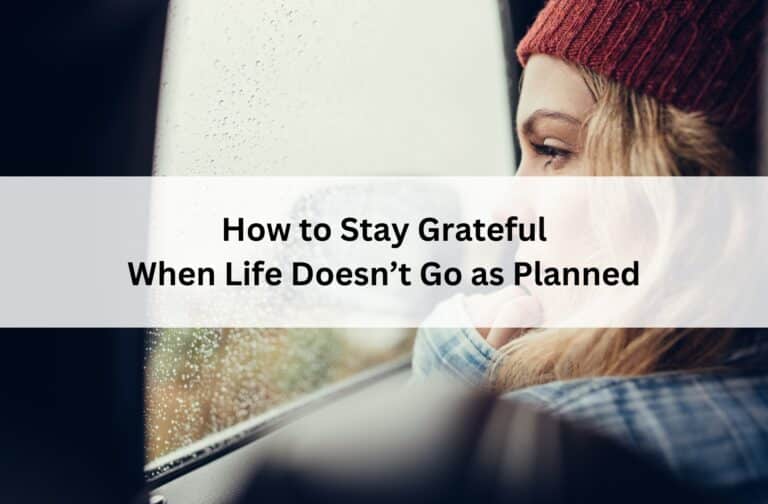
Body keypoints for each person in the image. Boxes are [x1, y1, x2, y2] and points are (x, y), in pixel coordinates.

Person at [412, 0, 768, 502]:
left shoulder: (573, 450)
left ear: (687, 181)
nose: (506, 216)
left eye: (552, 150)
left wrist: (458, 369)